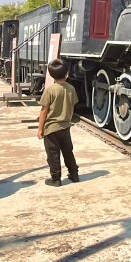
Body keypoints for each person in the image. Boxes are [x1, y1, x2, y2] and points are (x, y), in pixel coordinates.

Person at [37, 58, 80, 186]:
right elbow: (72, 107)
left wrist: (40, 129)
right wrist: (68, 119)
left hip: (51, 129)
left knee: (53, 155)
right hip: (65, 127)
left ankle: (56, 179)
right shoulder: (71, 88)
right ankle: (74, 174)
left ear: (50, 75)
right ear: (67, 74)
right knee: (68, 152)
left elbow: (44, 111)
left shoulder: (50, 90)